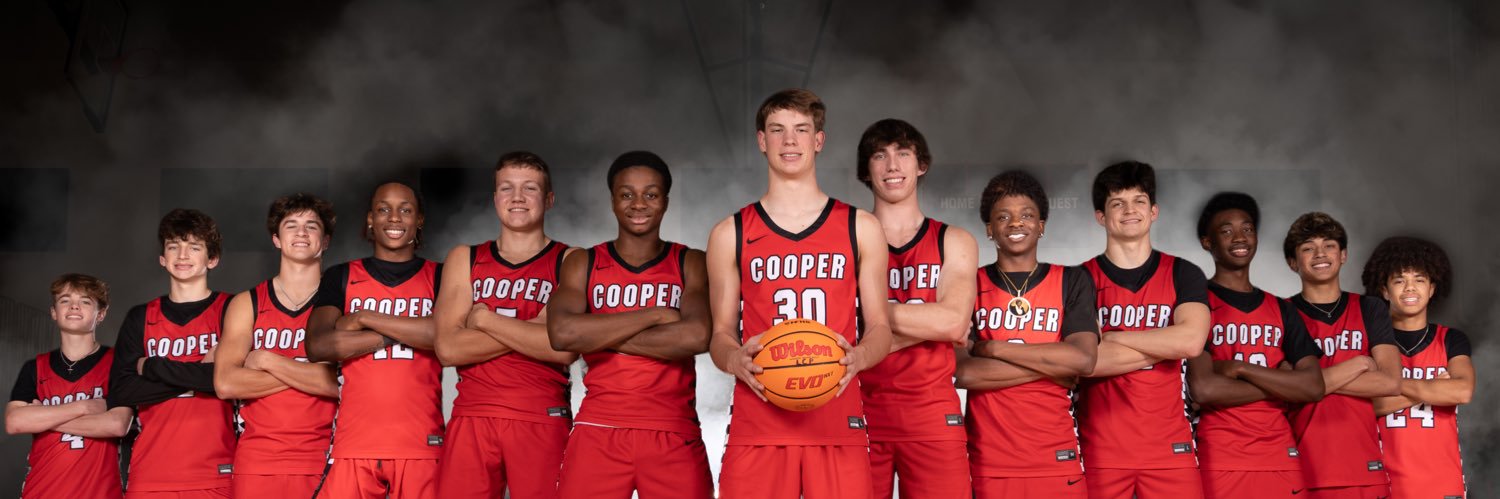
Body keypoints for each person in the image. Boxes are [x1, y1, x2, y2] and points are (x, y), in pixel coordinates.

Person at [707, 88, 893, 499]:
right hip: (758, 426)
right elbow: (720, 335)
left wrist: (859, 357)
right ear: (761, 141)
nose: (789, 141)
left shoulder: (859, 227)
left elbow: (880, 327)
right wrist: (734, 358)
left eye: (801, 130)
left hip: (838, 423)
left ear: (818, 140)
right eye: (777, 130)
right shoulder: (729, 233)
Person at [547, 151, 713, 498]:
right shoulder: (584, 262)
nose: (638, 204)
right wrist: (653, 315)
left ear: (665, 201)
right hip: (598, 428)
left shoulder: (690, 262)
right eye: (627, 194)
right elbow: (562, 334)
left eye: (650, 194)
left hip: (672, 430)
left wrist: (596, 333)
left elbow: (697, 335)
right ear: (612, 201)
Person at [431, 152, 578, 498]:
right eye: (506, 188)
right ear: (494, 198)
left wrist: (483, 320)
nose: (517, 198)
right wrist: (531, 329)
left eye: (530, 188)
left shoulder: (571, 260)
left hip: (542, 415)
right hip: (472, 415)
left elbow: (562, 346)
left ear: (549, 199)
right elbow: (448, 348)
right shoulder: (464, 258)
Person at [956, 170, 1098, 498]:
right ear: (989, 229)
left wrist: (992, 349)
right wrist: (1052, 367)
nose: (1016, 223)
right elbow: (964, 373)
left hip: (1056, 456)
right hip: (988, 462)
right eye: (1003, 216)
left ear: (1042, 225)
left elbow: (1082, 359)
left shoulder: (1072, 280)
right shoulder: (968, 284)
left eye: (1027, 215)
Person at [854, 119, 977, 499]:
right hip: (858, 412)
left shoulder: (953, 240)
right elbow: (835, 327)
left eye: (902, 154)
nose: (892, 166)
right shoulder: (844, 240)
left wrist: (868, 318)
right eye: (880, 155)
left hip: (932, 415)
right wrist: (929, 323)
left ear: (920, 164)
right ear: (866, 171)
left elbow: (955, 322)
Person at [1077, 161, 1211, 499]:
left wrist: (1115, 337)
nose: (1129, 210)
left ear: (1153, 211)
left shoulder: (1184, 273)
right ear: (1100, 216)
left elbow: (1192, 341)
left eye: (1138, 201)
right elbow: (1088, 361)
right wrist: (1165, 343)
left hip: (1170, 445)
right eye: (1116, 203)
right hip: (1101, 447)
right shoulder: (1079, 279)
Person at [307, 182, 442, 499]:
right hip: (355, 443)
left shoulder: (441, 275)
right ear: (370, 219)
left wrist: (364, 318)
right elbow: (318, 346)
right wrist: (410, 331)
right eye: (383, 209)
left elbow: (444, 336)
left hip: (422, 443)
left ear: (419, 220)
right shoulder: (341, 275)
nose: (394, 218)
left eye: (405, 210)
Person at [1186, 192, 1324, 499]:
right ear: (1207, 242)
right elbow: (1205, 390)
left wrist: (1240, 368)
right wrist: (1283, 382)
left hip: (1280, 453)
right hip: (1222, 456)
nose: (1240, 238)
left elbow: (1314, 387)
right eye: (1227, 231)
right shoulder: (1195, 304)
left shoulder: (1283, 309)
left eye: (1247, 229)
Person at [213, 194, 340, 497]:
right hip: (257, 459)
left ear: (325, 242)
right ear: (276, 239)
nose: (301, 233)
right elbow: (227, 383)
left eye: (311, 226)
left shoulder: (340, 302)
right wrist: (310, 373)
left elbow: (344, 385)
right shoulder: (248, 303)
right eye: (291, 225)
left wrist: (270, 361)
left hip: (324, 457)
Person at [108, 208, 236, 498]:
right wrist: (199, 374)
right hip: (150, 473)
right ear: (162, 259)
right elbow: (121, 391)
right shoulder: (140, 317)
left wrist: (151, 366)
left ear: (212, 259)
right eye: (174, 246)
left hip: (215, 472)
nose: (183, 255)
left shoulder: (232, 309)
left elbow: (228, 380)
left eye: (194, 247)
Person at [1282, 211, 1401, 498]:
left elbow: (1390, 382)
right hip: (1304, 468)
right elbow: (1285, 387)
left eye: (1329, 245)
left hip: (1364, 467)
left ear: (1343, 255)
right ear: (1292, 262)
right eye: (1308, 248)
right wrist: (1358, 365)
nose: (1320, 254)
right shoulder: (1280, 311)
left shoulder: (1370, 309)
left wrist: (1310, 383)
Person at [1364, 236, 1472, 499]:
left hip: (1442, 485)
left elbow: (1462, 391)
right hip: (1383, 484)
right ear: (1385, 290)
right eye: (1399, 280)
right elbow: (1364, 408)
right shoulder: (1368, 343)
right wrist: (1435, 388)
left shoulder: (1450, 339)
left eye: (1419, 280)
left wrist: (1386, 387)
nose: (1410, 288)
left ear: (1432, 288)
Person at [6, 273, 132, 498]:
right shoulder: (35, 367)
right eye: (65, 300)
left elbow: (117, 424)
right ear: (54, 312)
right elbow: (15, 422)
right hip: (41, 491)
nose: (74, 307)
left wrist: (41, 418)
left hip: (100, 493)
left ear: (101, 314)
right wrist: (84, 407)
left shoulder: (118, 363)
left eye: (85, 301)